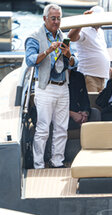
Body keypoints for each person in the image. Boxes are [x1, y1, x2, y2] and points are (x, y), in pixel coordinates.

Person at [25, 3, 78, 169]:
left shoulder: (63, 37)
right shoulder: (34, 37)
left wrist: (68, 55)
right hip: (45, 87)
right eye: (53, 18)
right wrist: (47, 51)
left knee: (62, 128)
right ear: (44, 19)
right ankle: (38, 164)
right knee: (42, 129)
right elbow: (30, 60)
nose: (56, 22)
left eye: (58, 18)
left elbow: (74, 63)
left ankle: (57, 161)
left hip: (63, 86)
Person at [67, 6, 109, 92]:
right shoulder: (85, 29)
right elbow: (71, 37)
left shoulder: (101, 31)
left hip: (102, 77)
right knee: (90, 103)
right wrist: (82, 20)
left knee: (98, 105)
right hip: (89, 76)